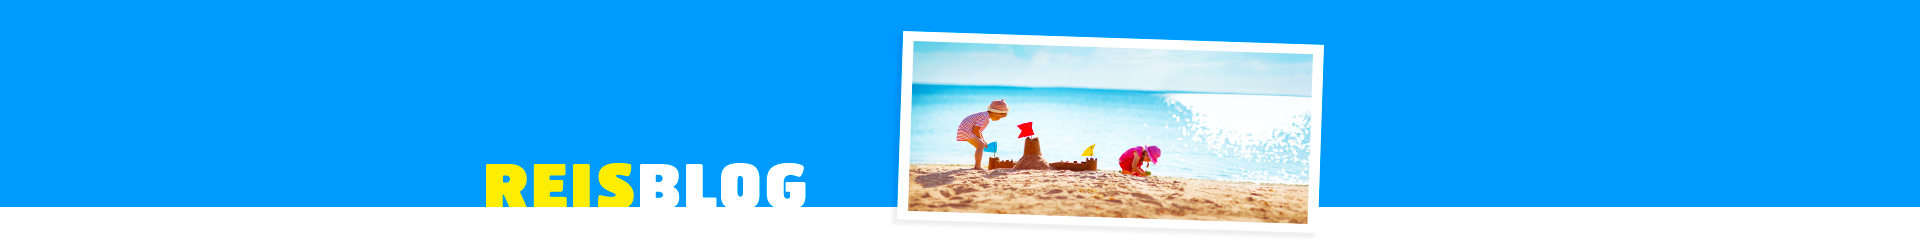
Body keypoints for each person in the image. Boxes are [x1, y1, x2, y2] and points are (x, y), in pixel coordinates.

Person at [957, 100, 1009, 170]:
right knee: (980, 145)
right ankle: (977, 166)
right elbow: (975, 130)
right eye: (999, 117)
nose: (998, 119)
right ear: (996, 113)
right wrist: (981, 141)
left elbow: (978, 131)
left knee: (979, 145)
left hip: (966, 129)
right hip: (966, 129)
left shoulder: (985, 116)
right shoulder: (985, 117)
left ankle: (977, 165)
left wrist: (983, 140)